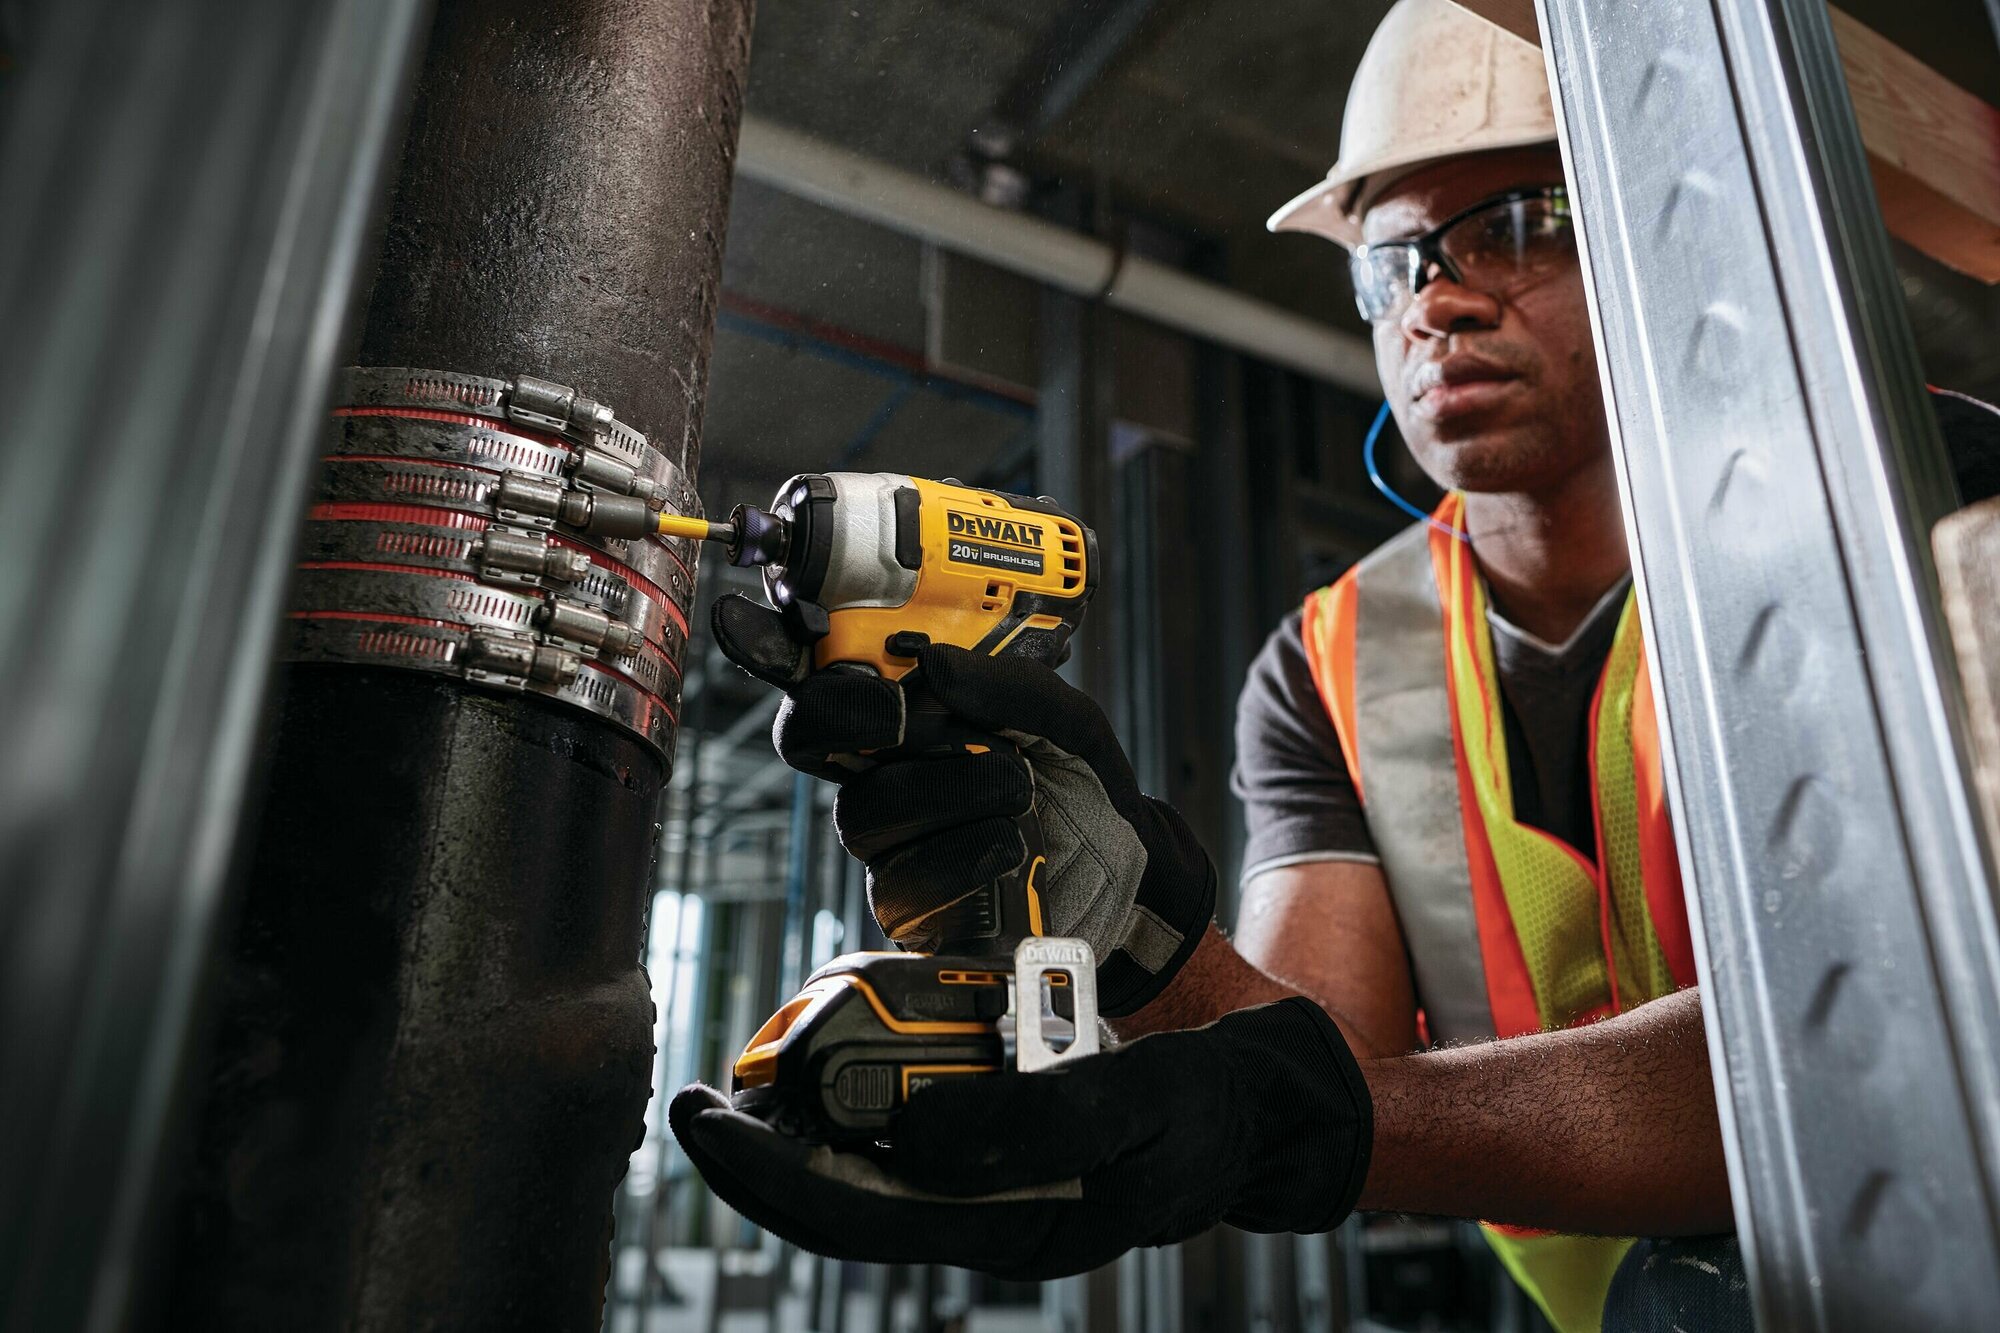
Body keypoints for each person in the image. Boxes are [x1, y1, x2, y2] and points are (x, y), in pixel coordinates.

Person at [671, 3, 1997, 1329]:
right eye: (1394, 265)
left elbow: (1907, 1018)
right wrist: (1132, 934)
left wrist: (1286, 1109)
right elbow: (1326, 1073)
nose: (1436, 302)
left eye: (1514, 227)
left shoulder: (1914, 482)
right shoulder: (1329, 660)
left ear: (1651, 220)